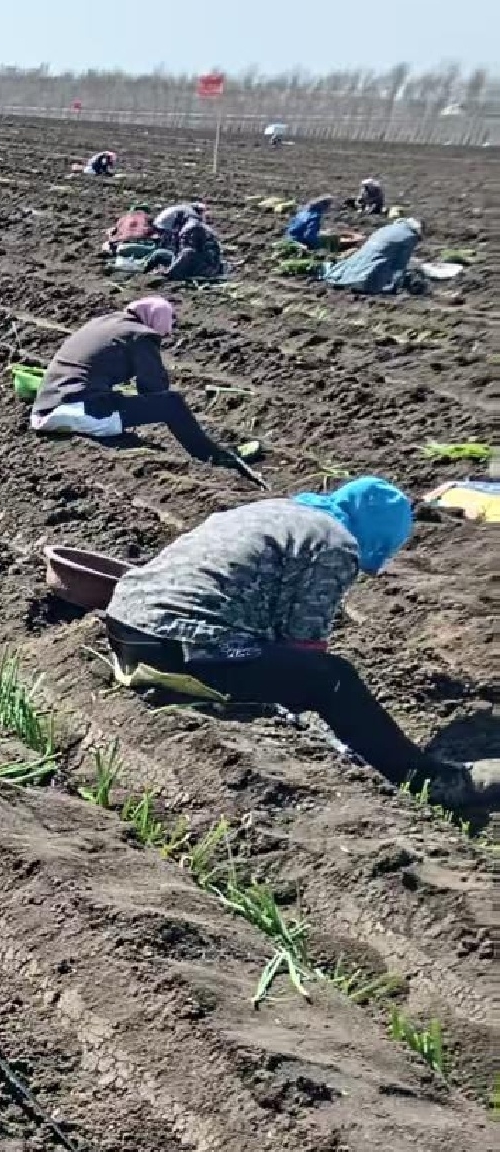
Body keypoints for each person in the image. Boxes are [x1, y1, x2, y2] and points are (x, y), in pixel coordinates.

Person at [103, 480, 498, 809]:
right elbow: (303, 643)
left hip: (128, 626)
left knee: (284, 666)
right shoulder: (335, 542)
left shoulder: (275, 512)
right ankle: (427, 779)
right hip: (183, 644)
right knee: (332, 678)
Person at [28, 297, 241, 467]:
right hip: (78, 411)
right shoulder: (141, 336)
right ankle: (212, 456)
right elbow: (154, 389)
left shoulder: (105, 323)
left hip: (45, 409)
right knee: (172, 404)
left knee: (116, 400)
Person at [324, 216, 422, 294]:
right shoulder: (410, 237)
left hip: (359, 258)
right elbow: (400, 264)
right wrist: (395, 284)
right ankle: (364, 284)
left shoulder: (387, 228)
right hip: (373, 270)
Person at [159, 209, 224, 282]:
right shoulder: (193, 226)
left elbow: (193, 250)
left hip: (207, 266)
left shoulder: (194, 227)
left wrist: (170, 271)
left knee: (187, 252)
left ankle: (171, 274)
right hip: (206, 263)